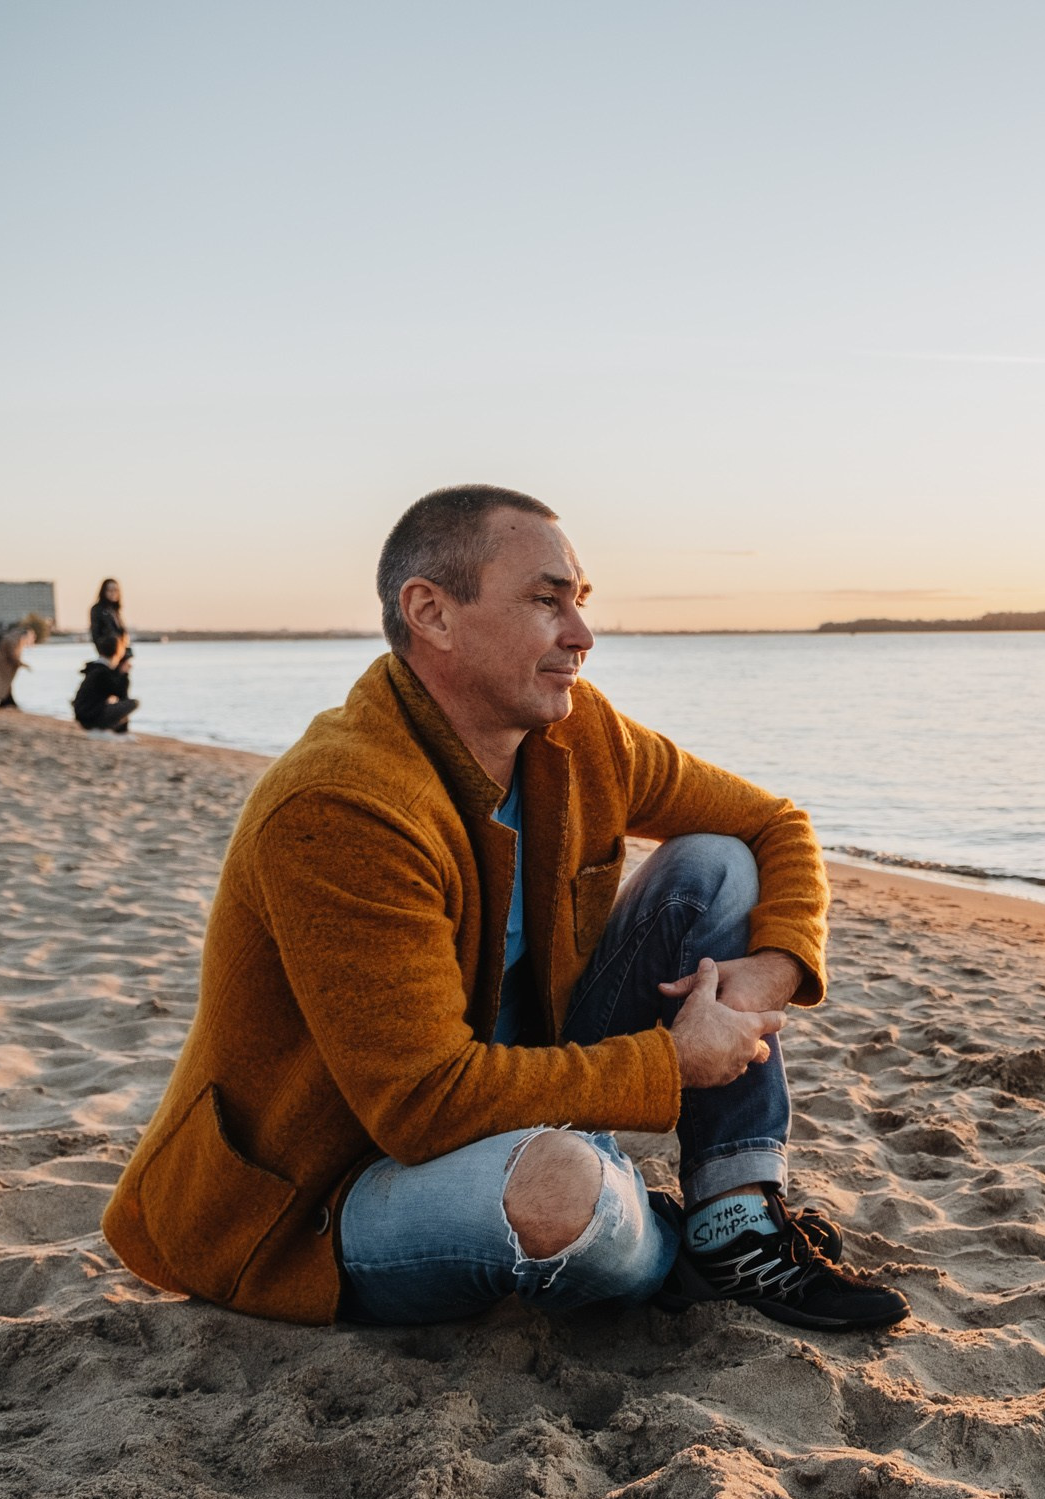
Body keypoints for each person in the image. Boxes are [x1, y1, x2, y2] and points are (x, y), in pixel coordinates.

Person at [101, 485, 907, 1332]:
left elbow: (776, 821)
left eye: (580, 600)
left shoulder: (574, 731)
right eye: (544, 600)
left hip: (515, 1086)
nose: (582, 635)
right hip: (326, 1194)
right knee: (567, 1193)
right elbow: (423, 1101)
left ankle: (736, 1221)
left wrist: (775, 966)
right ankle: (671, 1239)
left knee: (718, 866)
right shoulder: (341, 804)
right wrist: (671, 1064)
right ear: (432, 613)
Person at [73, 636, 139, 733]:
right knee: (133, 703)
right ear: (118, 652)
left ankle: (115, 729)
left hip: (84, 715)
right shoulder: (103, 672)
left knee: (113, 703)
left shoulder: (95, 668)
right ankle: (118, 731)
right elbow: (122, 694)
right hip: (90, 718)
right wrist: (124, 674)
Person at [0, 619, 32, 710]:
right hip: (0, 664)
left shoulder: (14, 636)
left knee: (5, 683)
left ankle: (8, 702)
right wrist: (21, 663)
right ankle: (7, 702)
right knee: (4, 682)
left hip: (0, 662)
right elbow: (12, 654)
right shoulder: (14, 639)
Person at [89, 579, 125, 659]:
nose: (113, 593)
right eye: (110, 590)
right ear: (103, 591)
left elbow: (122, 634)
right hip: (108, 655)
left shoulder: (115, 611)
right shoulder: (97, 609)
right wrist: (106, 654)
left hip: (120, 655)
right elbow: (95, 634)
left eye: (116, 590)